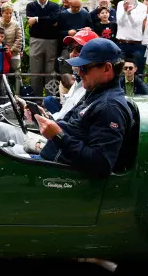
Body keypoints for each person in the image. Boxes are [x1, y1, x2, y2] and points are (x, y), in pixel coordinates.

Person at [35, 38, 134, 178]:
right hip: (49, 165)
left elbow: (101, 165)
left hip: (57, 176)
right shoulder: (95, 93)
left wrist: (58, 136)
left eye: (85, 68)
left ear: (107, 69)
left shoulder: (109, 107)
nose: (80, 73)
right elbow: (68, 125)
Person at [26, 0, 61, 96]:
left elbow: (55, 20)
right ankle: (36, 99)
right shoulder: (31, 6)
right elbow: (51, 21)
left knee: (51, 72)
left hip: (51, 41)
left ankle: (51, 99)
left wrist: (36, 19)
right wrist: (48, 21)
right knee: (35, 72)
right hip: (36, 40)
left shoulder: (55, 6)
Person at [116, 0, 148, 71]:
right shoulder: (120, 4)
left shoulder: (143, 7)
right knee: (120, 72)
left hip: (136, 44)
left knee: (137, 72)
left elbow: (137, 23)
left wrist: (129, 14)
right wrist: (125, 12)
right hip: (122, 44)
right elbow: (119, 22)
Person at [0, 4, 23, 75]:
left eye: (10, 13)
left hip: (13, 53)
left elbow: (19, 39)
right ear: (2, 13)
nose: (9, 15)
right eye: (6, 13)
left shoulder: (16, 24)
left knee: (17, 74)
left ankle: (18, 86)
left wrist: (11, 50)